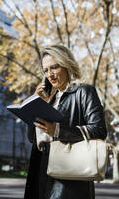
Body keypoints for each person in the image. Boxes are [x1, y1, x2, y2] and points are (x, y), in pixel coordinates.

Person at [24, 45, 107, 199]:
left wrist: (57, 130)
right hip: (41, 170)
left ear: (67, 64)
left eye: (54, 67)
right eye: (46, 70)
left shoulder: (84, 91)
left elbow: (99, 130)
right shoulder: (49, 99)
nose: (50, 74)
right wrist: (35, 106)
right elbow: (33, 139)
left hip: (68, 173)